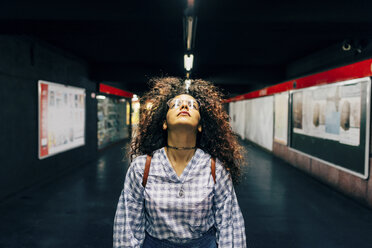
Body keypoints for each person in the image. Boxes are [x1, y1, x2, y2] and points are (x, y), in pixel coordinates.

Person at [113, 77, 246, 248]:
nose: (184, 106)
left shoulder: (215, 169)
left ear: (200, 126)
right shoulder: (142, 168)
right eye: (175, 105)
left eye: (192, 105)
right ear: (164, 123)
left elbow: (229, 226)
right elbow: (128, 227)